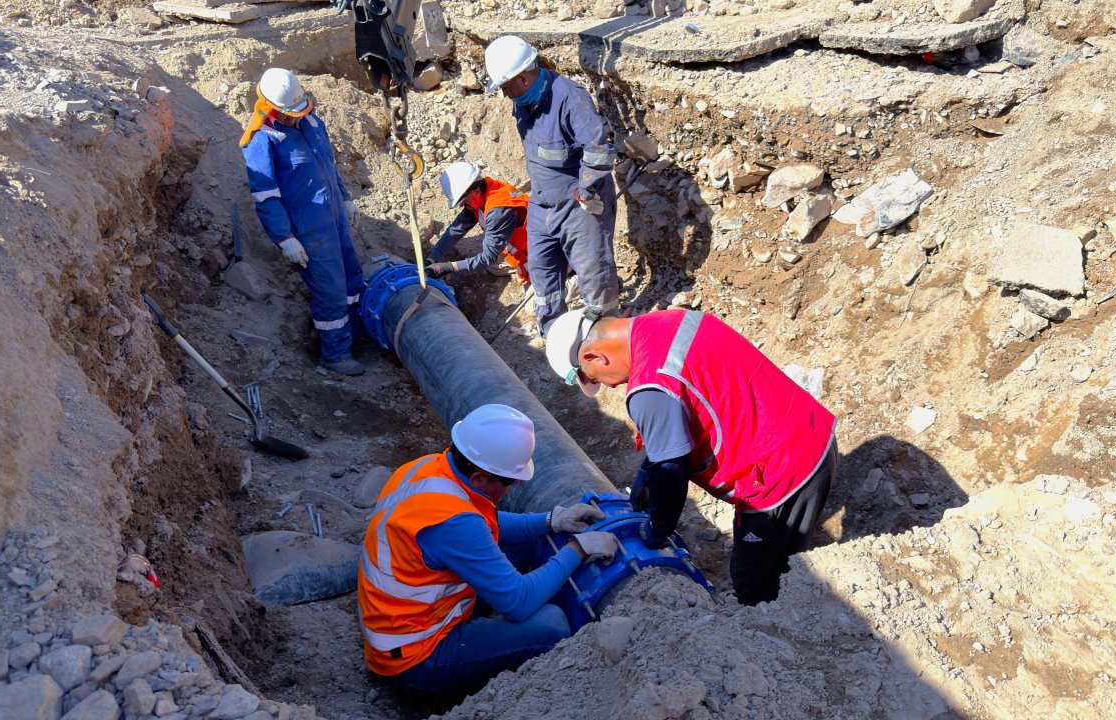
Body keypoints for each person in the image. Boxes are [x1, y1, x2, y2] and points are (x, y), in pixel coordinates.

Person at [544, 309, 838, 605]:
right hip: (812, 434)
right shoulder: (673, 321)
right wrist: (649, 468)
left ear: (595, 356)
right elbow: (699, 396)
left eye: (594, 378)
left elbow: (671, 471)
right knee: (781, 562)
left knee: (755, 582)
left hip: (782, 477)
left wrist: (656, 530)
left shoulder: (649, 386)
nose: (608, 386)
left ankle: (787, 620)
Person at [357, 403, 620, 695]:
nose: (515, 485)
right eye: (511, 481)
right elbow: (518, 603)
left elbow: (483, 523)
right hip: (415, 656)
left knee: (524, 542)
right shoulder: (454, 523)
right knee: (552, 624)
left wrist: (550, 521)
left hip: (405, 616)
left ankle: (488, 631)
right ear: (481, 478)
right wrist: (577, 550)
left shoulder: (429, 468)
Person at [483, 35, 620, 335]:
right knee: (542, 275)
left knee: (594, 275)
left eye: (505, 87)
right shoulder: (524, 102)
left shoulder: (569, 98)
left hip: (578, 206)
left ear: (522, 79)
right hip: (542, 204)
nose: (505, 94)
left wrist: (586, 190)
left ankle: (607, 338)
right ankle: (554, 336)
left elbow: (598, 150)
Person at [240, 68, 365, 376]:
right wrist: (285, 239)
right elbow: (266, 197)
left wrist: (346, 198)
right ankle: (335, 355)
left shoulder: (311, 122)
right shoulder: (263, 140)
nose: (297, 116)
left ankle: (358, 337)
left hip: (334, 218)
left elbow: (329, 167)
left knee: (352, 278)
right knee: (330, 290)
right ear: (272, 107)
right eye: (290, 113)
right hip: (308, 231)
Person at [426, 161, 531, 286]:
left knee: (491, 263)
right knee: (493, 266)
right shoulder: (483, 191)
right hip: (518, 241)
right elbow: (456, 229)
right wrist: (431, 259)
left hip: (538, 248)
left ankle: (533, 270)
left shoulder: (498, 211)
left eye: (463, 201)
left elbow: (487, 257)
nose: (462, 205)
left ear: (475, 191)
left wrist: (448, 267)